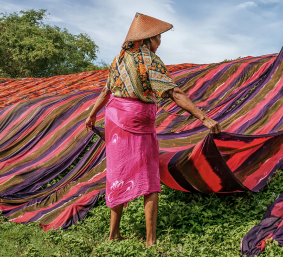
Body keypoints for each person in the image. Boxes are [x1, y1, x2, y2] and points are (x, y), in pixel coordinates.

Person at [85, 12, 221, 246]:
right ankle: (150, 240)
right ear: (148, 40)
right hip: (137, 120)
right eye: (158, 40)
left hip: (114, 118)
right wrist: (204, 118)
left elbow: (106, 91)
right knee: (148, 175)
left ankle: (113, 234)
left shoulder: (118, 59)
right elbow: (174, 92)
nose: (159, 45)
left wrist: (92, 113)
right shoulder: (149, 60)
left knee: (117, 172)